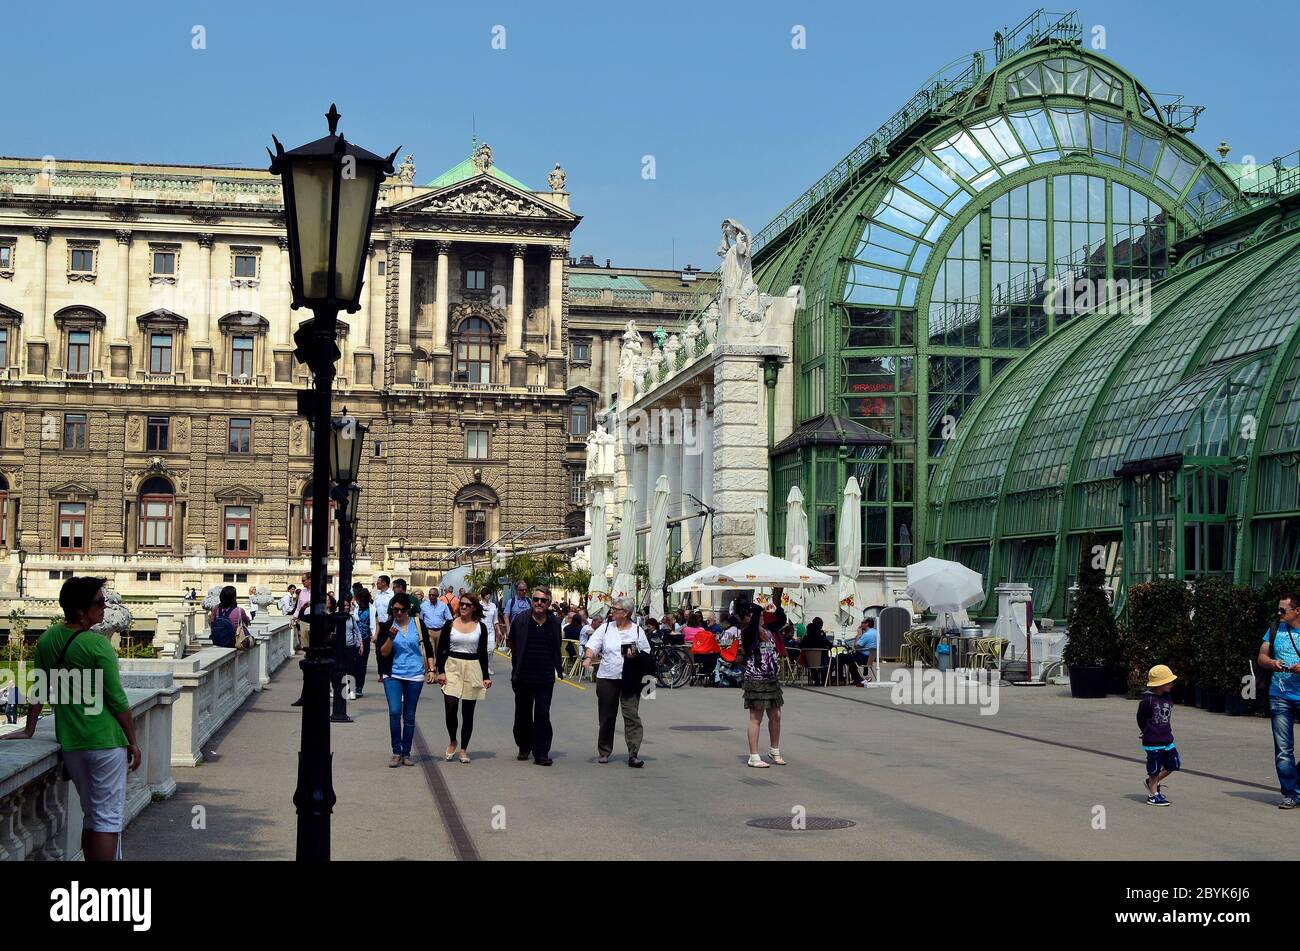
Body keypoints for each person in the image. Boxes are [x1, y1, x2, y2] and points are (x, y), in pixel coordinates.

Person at [2, 577, 140, 861]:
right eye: (99, 603)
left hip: (72, 742)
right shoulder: (97, 645)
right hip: (105, 740)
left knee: (92, 815)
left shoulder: (48, 639)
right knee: (108, 819)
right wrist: (133, 741)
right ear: (80, 609)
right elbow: (116, 701)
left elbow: (38, 689)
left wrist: (29, 730)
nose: (104, 608)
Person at [583, 598, 651, 766]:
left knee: (631, 716)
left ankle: (633, 753)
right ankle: (604, 751)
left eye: (615, 609)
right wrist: (588, 657)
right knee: (606, 716)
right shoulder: (606, 628)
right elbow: (593, 644)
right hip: (607, 677)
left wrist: (635, 655)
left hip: (630, 679)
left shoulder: (637, 631)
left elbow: (647, 653)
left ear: (626, 613)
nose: (611, 611)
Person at [375, 592, 435, 767]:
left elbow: (428, 648)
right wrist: (391, 637)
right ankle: (396, 751)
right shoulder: (387, 626)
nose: (398, 613)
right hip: (393, 674)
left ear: (408, 610)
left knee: (409, 715)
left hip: (415, 674)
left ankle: (406, 752)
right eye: (395, 610)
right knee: (394, 712)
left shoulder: (418, 624)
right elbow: (383, 652)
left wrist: (431, 669)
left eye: (401, 610)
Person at [507, 585, 565, 766]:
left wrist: (556, 669)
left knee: (542, 714)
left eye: (543, 600)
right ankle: (524, 746)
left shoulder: (554, 622)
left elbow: (557, 645)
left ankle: (541, 752)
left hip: (545, 677)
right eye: (536, 599)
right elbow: (512, 644)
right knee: (523, 714)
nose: (539, 603)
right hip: (523, 676)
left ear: (548, 603)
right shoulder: (521, 620)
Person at [436, 594, 493, 763]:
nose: (463, 607)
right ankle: (453, 740)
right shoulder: (449, 624)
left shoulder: (480, 627)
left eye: (467, 605)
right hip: (452, 666)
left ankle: (463, 749)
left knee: (468, 713)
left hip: (473, 667)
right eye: (461, 604)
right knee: (451, 709)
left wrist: (486, 676)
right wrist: (440, 671)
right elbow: (441, 649)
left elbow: (482, 653)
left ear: (474, 607)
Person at [1258, 593, 1300, 808]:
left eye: (1283, 610)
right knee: (1284, 749)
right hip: (1280, 696)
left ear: (1297, 611)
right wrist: (1272, 662)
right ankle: (1290, 793)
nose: (1279, 613)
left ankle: (1297, 786)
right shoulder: (1274, 629)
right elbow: (1261, 656)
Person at [739, 604, 786, 768]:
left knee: (776, 715)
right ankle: (754, 755)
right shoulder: (748, 632)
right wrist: (759, 608)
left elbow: (781, 621)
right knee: (756, 718)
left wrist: (777, 607)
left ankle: (774, 750)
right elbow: (753, 627)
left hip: (771, 679)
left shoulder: (768, 629)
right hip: (756, 679)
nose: (760, 617)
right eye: (756, 615)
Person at [1138, 665, 1179, 806]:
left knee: (1173, 764)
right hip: (1153, 741)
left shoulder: (1168, 698)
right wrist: (1147, 731)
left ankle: (1151, 783)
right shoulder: (1147, 701)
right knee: (1154, 769)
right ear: (1160, 684)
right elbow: (1140, 718)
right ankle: (1153, 794)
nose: (1172, 684)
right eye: (1169, 682)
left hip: (1167, 738)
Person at [331, 593, 357, 723]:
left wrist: (360, 644)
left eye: (347, 605)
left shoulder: (351, 619)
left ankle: (351, 690)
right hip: (338, 646)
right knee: (337, 669)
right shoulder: (336, 618)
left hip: (350, 646)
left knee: (349, 668)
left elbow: (356, 632)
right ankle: (337, 690)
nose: (346, 608)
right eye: (344, 606)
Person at [839, 617, 879, 686]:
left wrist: (858, 634)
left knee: (839, 656)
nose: (860, 625)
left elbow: (856, 646)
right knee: (851, 662)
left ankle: (840, 679)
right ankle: (857, 679)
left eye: (862, 623)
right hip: (870, 657)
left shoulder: (867, 635)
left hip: (862, 658)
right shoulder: (876, 633)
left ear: (867, 624)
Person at [351, 583, 375, 699]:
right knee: (353, 663)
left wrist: (374, 635)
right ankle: (352, 686)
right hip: (353, 639)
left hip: (364, 639)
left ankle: (359, 686)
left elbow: (376, 623)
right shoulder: (355, 607)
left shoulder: (372, 609)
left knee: (362, 664)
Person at [691, 610, 722, 683]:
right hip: (707, 654)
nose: (707, 622)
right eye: (707, 620)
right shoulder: (706, 631)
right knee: (714, 655)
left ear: (714, 620)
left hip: (698, 656)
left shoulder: (714, 629)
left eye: (709, 620)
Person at [799, 617, 832, 686]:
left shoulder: (806, 637)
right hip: (821, 661)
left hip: (809, 662)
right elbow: (828, 644)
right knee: (832, 661)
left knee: (812, 660)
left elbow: (801, 646)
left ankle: (816, 679)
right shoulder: (821, 636)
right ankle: (825, 680)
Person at [420, 586, 453, 651]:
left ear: (437, 595)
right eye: (430, 595)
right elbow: (421, 619)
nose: (431, 596)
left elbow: (449, 619)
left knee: (439, 651)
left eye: (433, 595)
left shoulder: (443, 606)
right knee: (431, 651)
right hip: (428, 631)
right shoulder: (423, 606)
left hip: (440, 632)